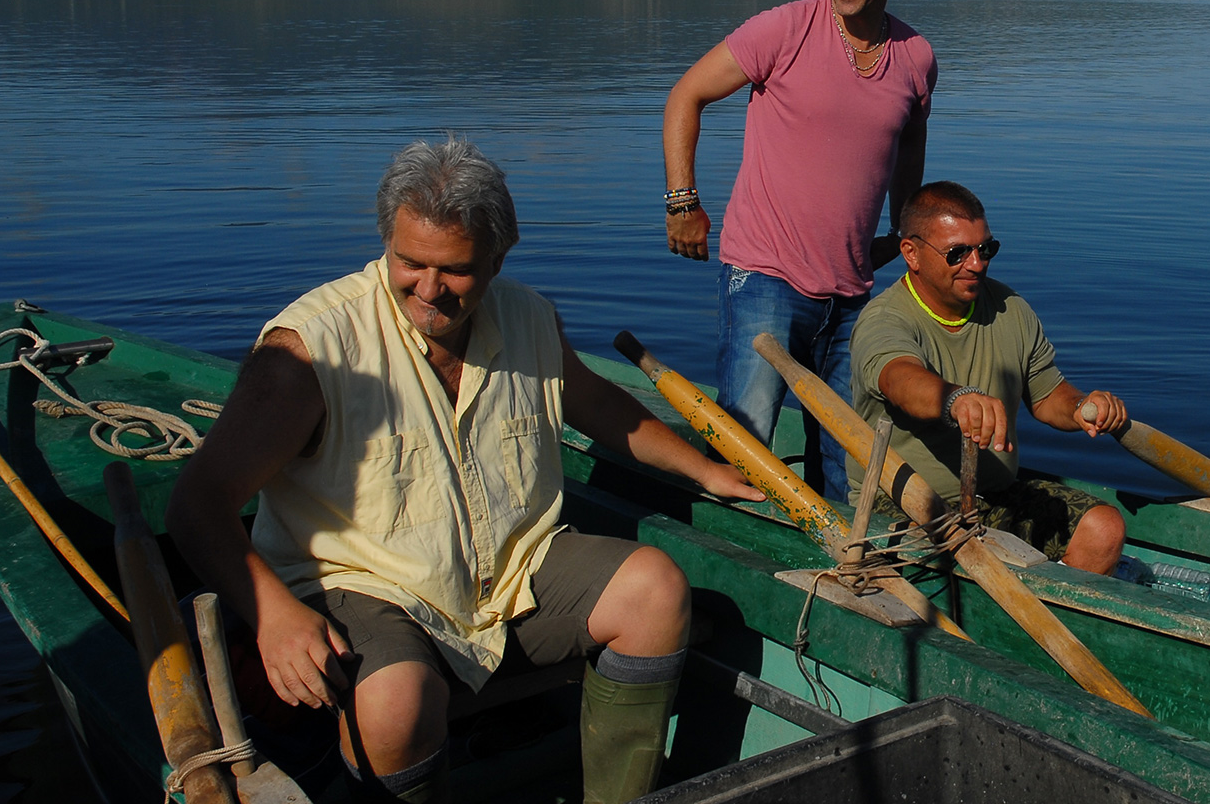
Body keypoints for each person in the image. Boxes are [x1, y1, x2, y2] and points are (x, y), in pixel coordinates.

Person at [166, 137, 764, 804]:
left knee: (655, 590)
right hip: (366, 582)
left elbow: (594, 401)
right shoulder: (313, 348)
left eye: (455, 270)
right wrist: (273, 616)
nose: (429, 290)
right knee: (394, 702)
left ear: (498, 258)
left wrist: (703, 470)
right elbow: (197, 503)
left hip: (509, 571)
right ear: (387, 243)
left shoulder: (528, 317)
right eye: (410, 263)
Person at [661, 0, 935, 500]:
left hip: (853, 293)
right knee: (746, 447)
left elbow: (909, 145)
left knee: (844, 461)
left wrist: (904, 234)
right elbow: (685, 95)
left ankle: (830, 556)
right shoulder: (782, 30)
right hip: (764, 277)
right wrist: (683, 202)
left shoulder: (915, 56)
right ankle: (728, 543)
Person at [849, 181, 1129, 574]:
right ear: (911, 253)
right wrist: (956, 399)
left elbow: (1047, 395)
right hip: (899, 504)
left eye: (986, 249)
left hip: (992, 496)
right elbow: (900, 380)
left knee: (1104, 527)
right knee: (949, 554)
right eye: (957, 253)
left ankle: (1053, 610)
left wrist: (1083, 407)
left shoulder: (1010, 308)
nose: (976, 263)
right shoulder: (884, 320)